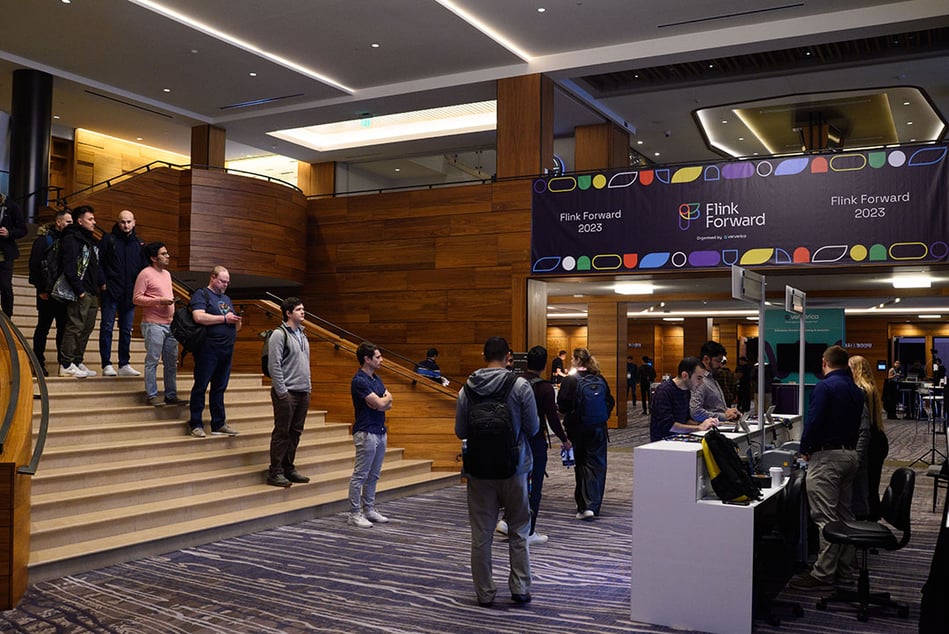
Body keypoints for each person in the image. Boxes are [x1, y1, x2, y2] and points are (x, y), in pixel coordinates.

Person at [455, 336, 538, 607]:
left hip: (479, 471)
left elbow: (460, 431)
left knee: (481, 534)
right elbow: (534, 428)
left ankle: (485, 593)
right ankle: (520, 587)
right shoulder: (520, 386)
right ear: (508, 357)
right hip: (515, 468)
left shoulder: (466, 390)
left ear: (483, 355)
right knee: (519, 529)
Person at [790, 345, 864, 591]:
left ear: (824, 362)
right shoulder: (856, 389)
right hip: (850, 455)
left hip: (827, 458)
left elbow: (814, 421)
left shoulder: (824, 387)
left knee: (825, 517)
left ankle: (822, 573)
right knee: (845, 516)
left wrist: (805, 449)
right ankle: (844, 570)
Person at [520, 346, 570, 545]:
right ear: (544, 365)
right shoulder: (545, 388)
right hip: (536, 440)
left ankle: (510, 521)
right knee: (536, 484)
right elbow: (552, 418)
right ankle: (529, 530)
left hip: (515, 439)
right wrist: (564, 439)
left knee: (518, 483)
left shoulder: (516, 383)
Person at [557, 347, 614, 520]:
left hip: (577, 428)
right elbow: (609, 402)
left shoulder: (570, 380)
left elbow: (563, 405)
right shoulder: (599, 378)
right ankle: (593, 504)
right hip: (598, 427)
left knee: (580, 464)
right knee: (596, 465)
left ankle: (583, 506)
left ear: (577, 360)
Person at [187, 266, 242, 438]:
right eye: (222, 281)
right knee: (201, 386)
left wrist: (235, 322)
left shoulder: (225, 298)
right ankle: (196, 423)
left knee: (219, 387)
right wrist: (224, 319)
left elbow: (231, 322)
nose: (225, 284)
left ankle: (219, 423)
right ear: (212, 278)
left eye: (227, 282)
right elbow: (199, 316)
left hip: (226, 348)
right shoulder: (201, 294)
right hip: (208, 348)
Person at [132, 242, 186, 407]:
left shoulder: (167, 274)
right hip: (153, 324)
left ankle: (171, 394)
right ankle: (152, 394)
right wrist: (160, 301)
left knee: (171, 362)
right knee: (153, 360)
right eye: (163, 254)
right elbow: (136, 298)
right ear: (154, 258)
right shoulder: (145, 274)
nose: (167, 256)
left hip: (170, 324)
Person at [266, 297, 312, 488]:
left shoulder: (303, 334)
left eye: (303, 309)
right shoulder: (279, 334)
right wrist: (282, 390)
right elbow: (274, 364)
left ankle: (288, 467)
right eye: (299, 309)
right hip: (287, 392)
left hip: (303, 391)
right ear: (288, 313)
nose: (303, 312)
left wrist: (308, 387)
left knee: (295, 432)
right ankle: (275, 471)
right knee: (282, 432)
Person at [348, 341, 393, 528]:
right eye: (377, 357)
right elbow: (382, 404)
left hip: (380, 430)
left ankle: (369, 509)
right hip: (366, 432)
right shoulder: (359, 380)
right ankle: (354, 513)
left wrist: (381, 400)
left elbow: (388, 401)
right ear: (367, 359)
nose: (381, 360)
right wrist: (381, 401)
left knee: (374, 475)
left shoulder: (377, 379)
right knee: (361, 475)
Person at [58, 205, 106, 379]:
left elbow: (95, 264)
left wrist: (102, 282)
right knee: (75, 326)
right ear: (80, 221)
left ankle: (77, 361)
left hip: (92, 291)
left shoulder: (90, 239)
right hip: (81, 290)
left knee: (87, 327)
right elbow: (69, 266)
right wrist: (79, 290)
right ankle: (66, 364)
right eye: (90, 219)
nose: (94, 222)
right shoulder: (72, 238)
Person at [98, 209, 146, 377]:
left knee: (126, 330)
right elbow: (99, 263)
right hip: (111, 291)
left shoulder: (139, 244)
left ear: (134, 223)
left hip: (130, 293)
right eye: (122, 222)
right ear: (118, 223)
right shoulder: (108, 239)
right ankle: (106, 363)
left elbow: (143, 269)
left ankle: (124, 363)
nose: (125, 225)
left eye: (128, 222)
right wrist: (103, 283)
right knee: (107, 328)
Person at [27, 208, 72, 376]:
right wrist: (40, 289)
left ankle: (63, 364)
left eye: (72, 222)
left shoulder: (70, 241)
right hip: (46, 293)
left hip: (64, 295)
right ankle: (38, 362)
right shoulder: (43, 240)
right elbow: (34, 266)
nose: (70, 225)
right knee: (43, 328)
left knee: (63, 329)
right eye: (68, 222)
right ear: (58, 222)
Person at [849, 354, 889, 521]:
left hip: (869, 441)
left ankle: (869, 518)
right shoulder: (871, 387)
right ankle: (873, 516)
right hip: (878, 439)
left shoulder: (860, 390)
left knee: (865, 483)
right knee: (873, 483)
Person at [649, 357, 719, 442]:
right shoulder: (664, 391)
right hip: (662, 444)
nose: (701, 383)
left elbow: (685, 420)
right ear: (685, 375)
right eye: (698, 378)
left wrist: (705, 424)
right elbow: (669, 425)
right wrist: (699, 427)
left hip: (678, 440)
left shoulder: (686, 391)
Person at [690, 340, 740, 423]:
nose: (720, 365)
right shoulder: (699, 380)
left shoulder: (711, 378)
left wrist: (729, 411)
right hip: (707, 429)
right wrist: (724, 416)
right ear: (706, 359)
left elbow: (715, 407)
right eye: (717, 361)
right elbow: (696, 412)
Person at [0, 193, 27, 317]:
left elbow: (23, 229)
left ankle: (7, 320)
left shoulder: (12, 207)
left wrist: (9, 233)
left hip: (4, 254)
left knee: (5, 287)